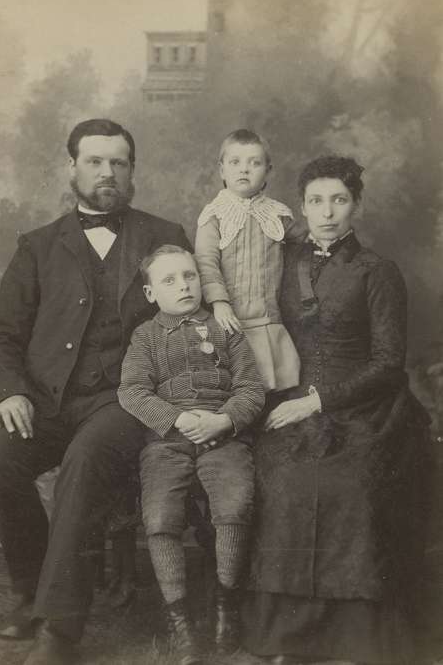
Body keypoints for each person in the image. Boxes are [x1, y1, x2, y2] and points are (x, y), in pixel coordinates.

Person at [0, 119, 191, 665]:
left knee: (86, 459)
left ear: (132, 170)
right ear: (72, 168)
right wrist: (7, 393)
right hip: (46, 401)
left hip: (126, 400)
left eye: (118, 162)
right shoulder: (38, 246)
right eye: (94, 161)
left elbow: (190, 322)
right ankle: (31, 589)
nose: (107, 173)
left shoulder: (164, 236)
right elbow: (0, 335)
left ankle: (60, 630)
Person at [240, 156, 431, 664]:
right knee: (285, 482)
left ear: (357, 206)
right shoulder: (282, 261)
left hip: (367, 408)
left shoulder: (377, 272)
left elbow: (390, 363)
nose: (327, 212)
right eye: (317, 201)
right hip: (291, 400)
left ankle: (354, 638)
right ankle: (289, 638)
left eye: (339, 200)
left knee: (350, 487)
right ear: (301, 206)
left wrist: (319, 401)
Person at [117, 245, 265, 664]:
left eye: (189, 276)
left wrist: (224, 421)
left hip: (223, 437)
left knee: (235, 505)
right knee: (161, 516)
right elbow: (132, 391)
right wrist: (177, 420)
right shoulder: (146, 336)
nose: (183, 286)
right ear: (150, 294)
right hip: (168, 442)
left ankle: (226, 605)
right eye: (169, 280)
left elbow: (252, 389)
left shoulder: (225, 326)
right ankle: (179, 619)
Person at [194, 128, 300, 404]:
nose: (244, 170)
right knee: (237, 389)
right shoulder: (213, 215)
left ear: (268, 170)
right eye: (235, 162)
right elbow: (206, 262)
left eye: (254, 163)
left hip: (271, 317)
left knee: (275, 389)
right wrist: (219, 302)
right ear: (221, 170)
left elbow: (305, 246)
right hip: (230, 318)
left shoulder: (278, 213)